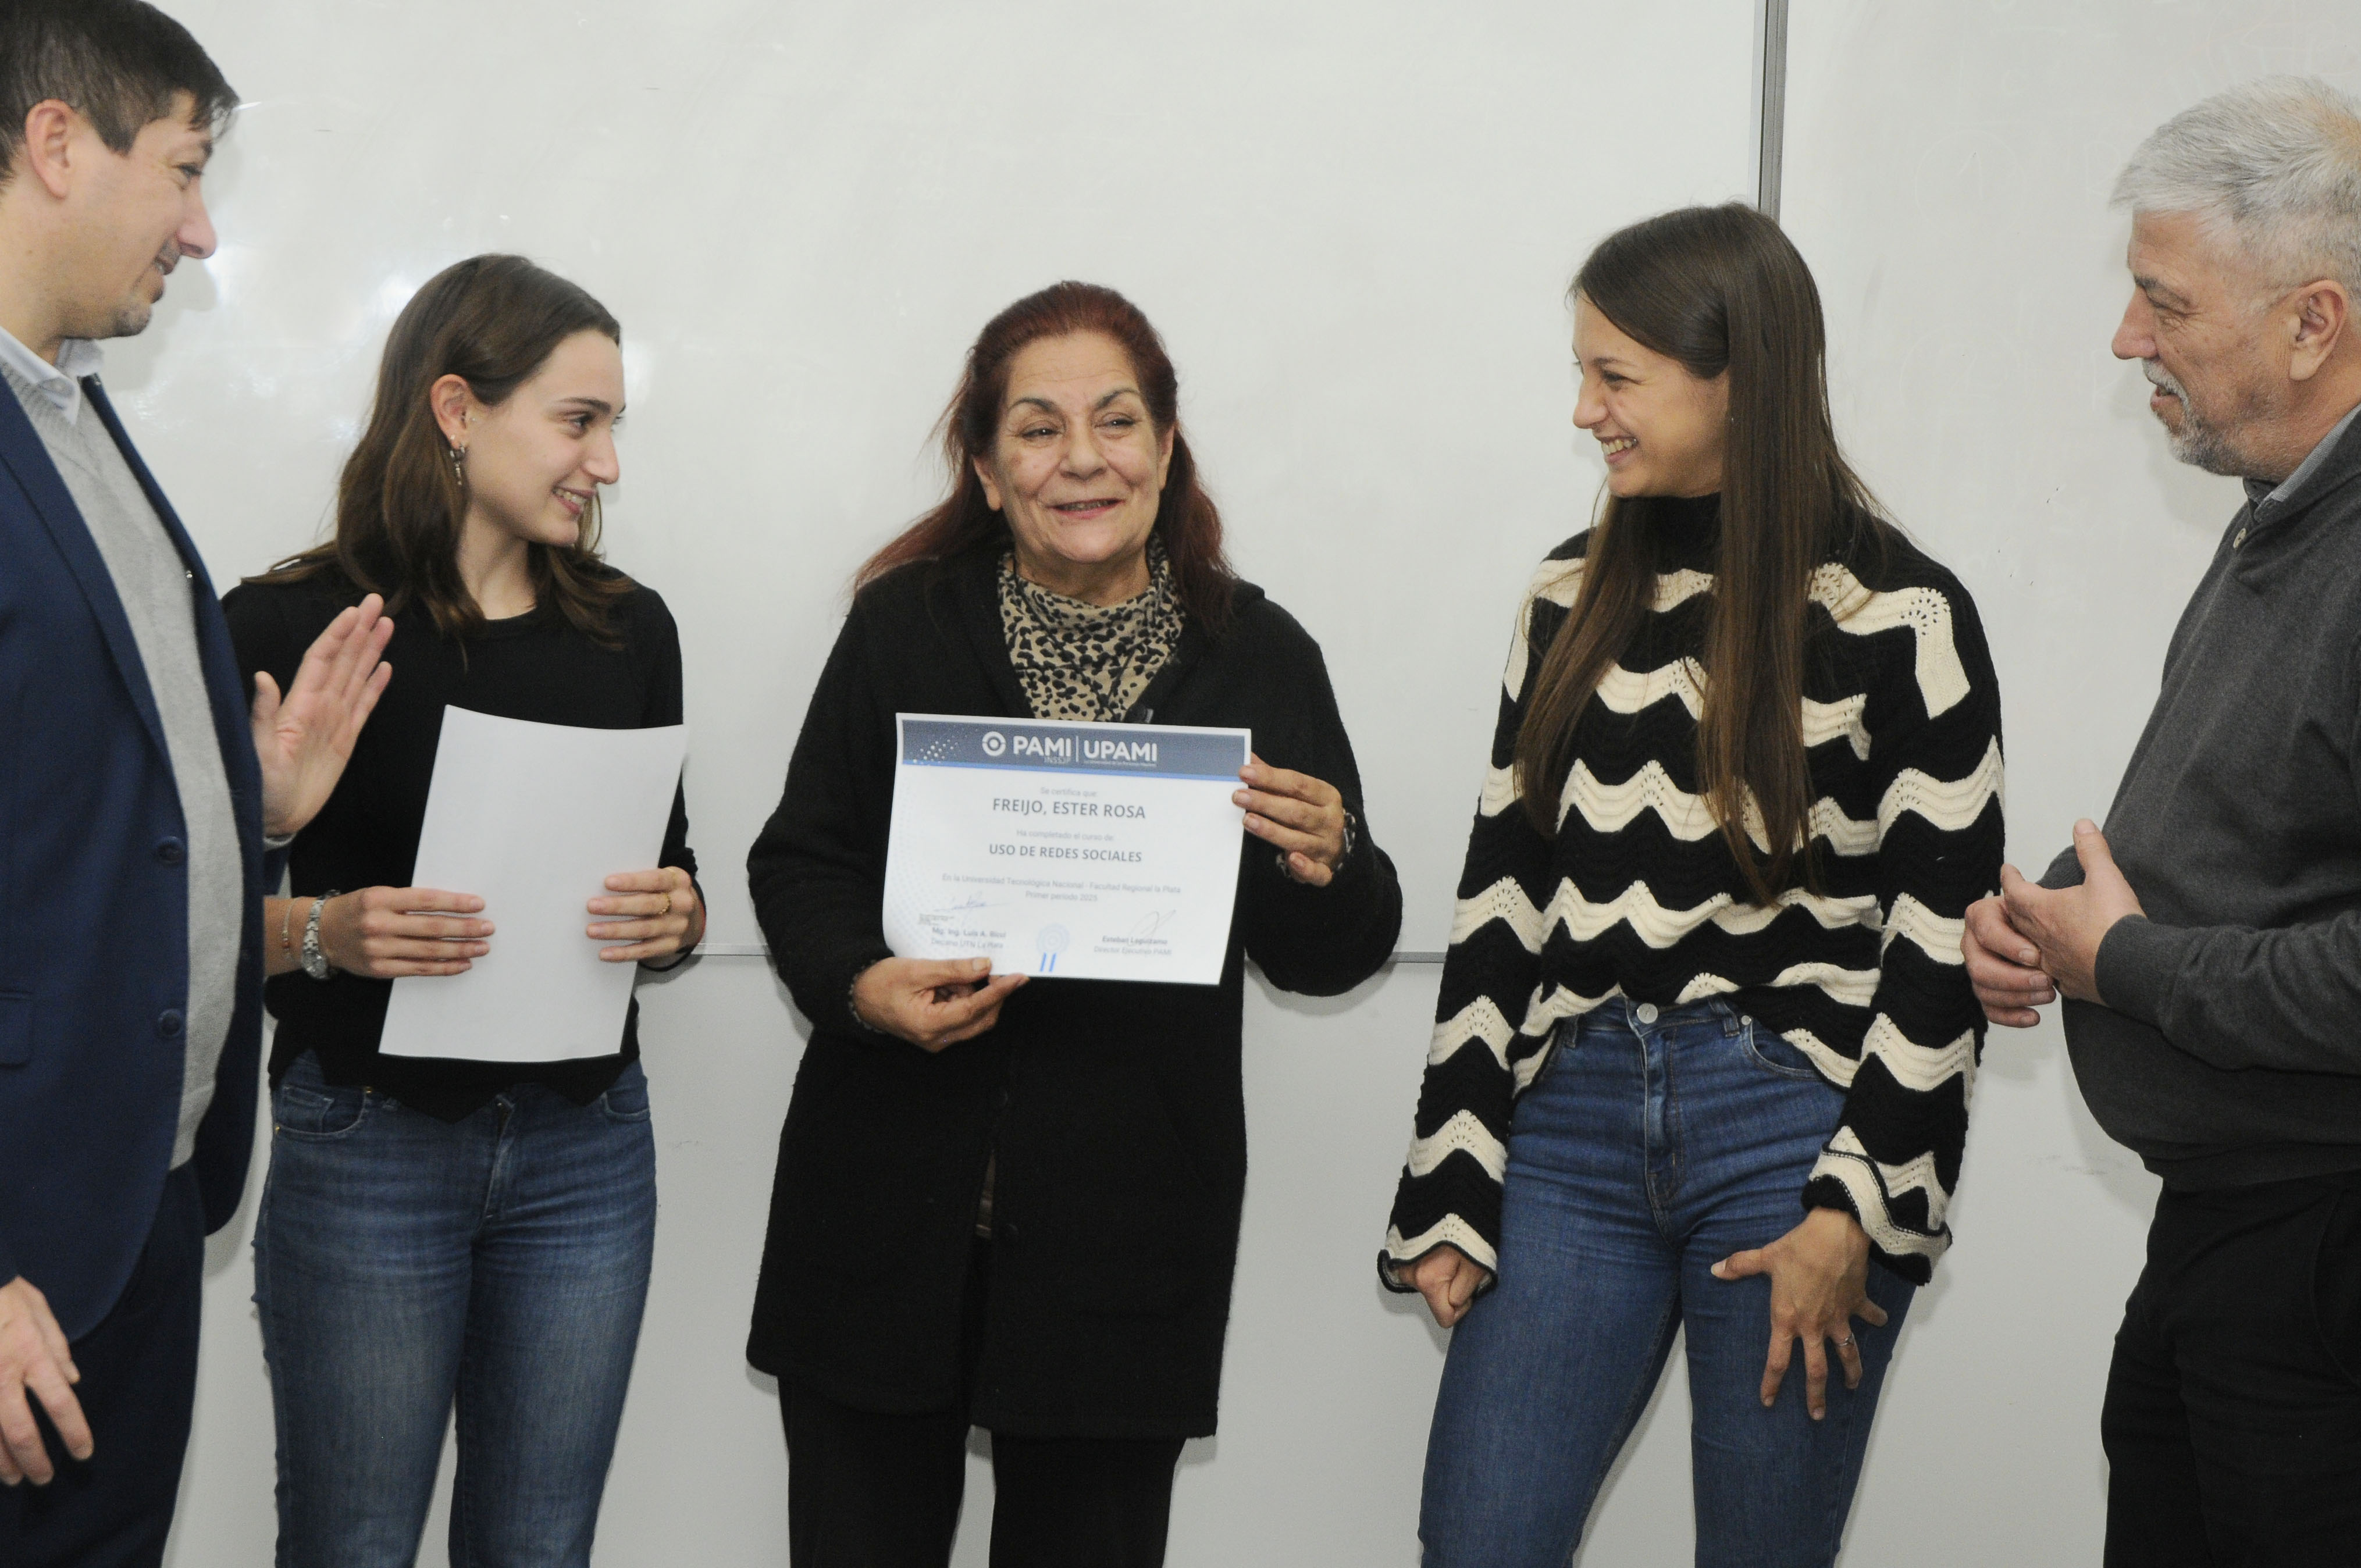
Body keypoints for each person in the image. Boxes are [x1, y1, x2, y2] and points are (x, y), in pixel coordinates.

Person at [1383, 204, 2004, 1567]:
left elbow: (1939, 943)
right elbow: (1501, 894)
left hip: (1791, 1137)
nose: (1582, 412)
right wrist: (1450, 1169)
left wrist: (1853, 1204)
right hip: (1571, 1124)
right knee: (1478, 1543)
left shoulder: (1900, 615)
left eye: (1614, 376)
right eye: (1580, 373)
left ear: (1738, 379)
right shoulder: (1565, 596)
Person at [745, 280, 1402, 1567]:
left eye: (1115, 420)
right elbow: (801, 862)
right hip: (882, 1210)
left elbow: (1331, 953)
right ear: (990, 473)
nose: (1082, 458)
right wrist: (863, 986)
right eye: (1038, 430)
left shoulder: (1258, 656)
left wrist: (1331, 860)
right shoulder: (903, 627)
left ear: (1165, 446)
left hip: (1125, 1239)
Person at [221, 254, 703, 1568]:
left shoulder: (630, 632)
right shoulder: (289, 625)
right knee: (354, 1542)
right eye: (578, 421)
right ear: (456, 409)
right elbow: (177, 920)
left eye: (613, 426)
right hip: (366, 1142)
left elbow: (674, 871)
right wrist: (322, 930)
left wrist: (677, 915)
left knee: (540, 1544)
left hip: (588, 1149)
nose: (605, 464)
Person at [0, 3, 397, 1563]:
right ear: (55, 144)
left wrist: (252, 802)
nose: (202, 229)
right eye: (181, 170)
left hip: (131, 1203)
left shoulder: (69, 412)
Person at [1964, 77, 2361, 1567]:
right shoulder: (2283, 515)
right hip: (2228, 1234)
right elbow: (2255, 828)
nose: (2127, 338)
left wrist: (2121, 962)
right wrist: (2050, 918)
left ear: (2311, 322)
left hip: (2317, 1256)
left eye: (2164, 302)